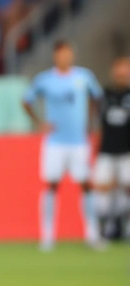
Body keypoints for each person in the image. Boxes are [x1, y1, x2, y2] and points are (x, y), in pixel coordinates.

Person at [22, 41, 104, 250]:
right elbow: (26, 100)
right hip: (55, 142)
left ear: (72, 55)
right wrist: (39, 122)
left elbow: (97, 97)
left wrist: (91, 121)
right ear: (55, 56)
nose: (65, 57)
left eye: (68, 53)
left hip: (79, 141)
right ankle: (47, 236)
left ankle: (92, 234)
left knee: (87, 184)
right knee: (51, 184)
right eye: (61, 54)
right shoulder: (46, 80)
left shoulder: (83, 77)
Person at [92, 56, 130, 240]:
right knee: (102, 190)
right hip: (106, 150)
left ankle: (126, 227)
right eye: (119, 71)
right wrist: (96, 147)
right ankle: (102, 228)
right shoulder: (104, 95)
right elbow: (98, 123)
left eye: (125, 71)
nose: (121, 74)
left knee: (127, 189)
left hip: (127, 152)